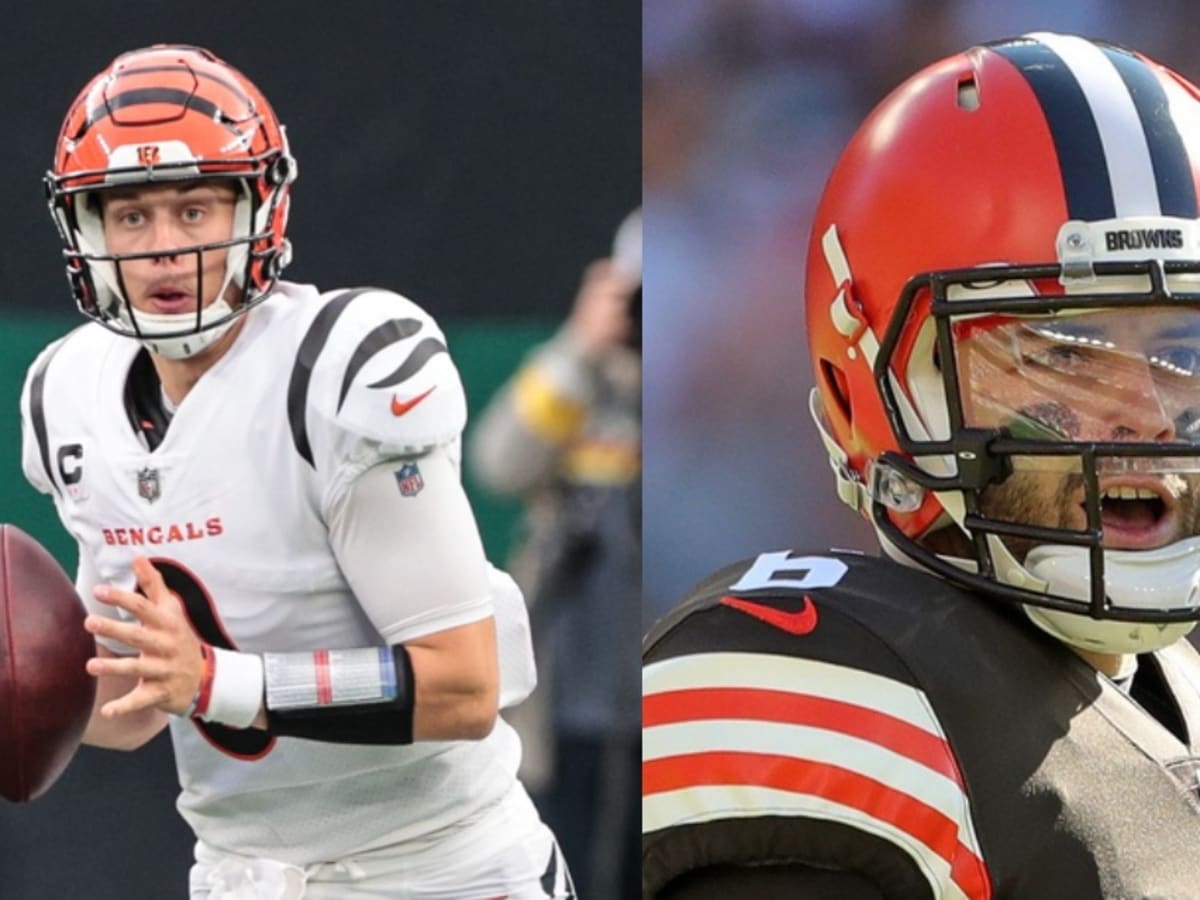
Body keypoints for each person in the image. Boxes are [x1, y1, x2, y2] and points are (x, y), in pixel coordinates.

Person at [642, 32, 1200, 900]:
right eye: (1064, 353)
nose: (1151, 414)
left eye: (1181, 350)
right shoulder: (823, 690)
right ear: (865, 384)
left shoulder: (1180, 676)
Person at [22, 44, 575, 900]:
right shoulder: (68, 394)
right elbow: (134, 703)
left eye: (195, 209)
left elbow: (466, 682)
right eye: (131, 217)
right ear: (85, 233)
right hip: (240, 875)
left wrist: (216, 681)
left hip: (439, 871)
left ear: (257, 210)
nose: (164, 247)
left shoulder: (340, 366)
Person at [469, 210, 642, 899]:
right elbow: (497, 464)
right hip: (570, 703)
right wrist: (580, 345)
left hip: (668, 698)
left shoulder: (701, 386)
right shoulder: (580, 385)